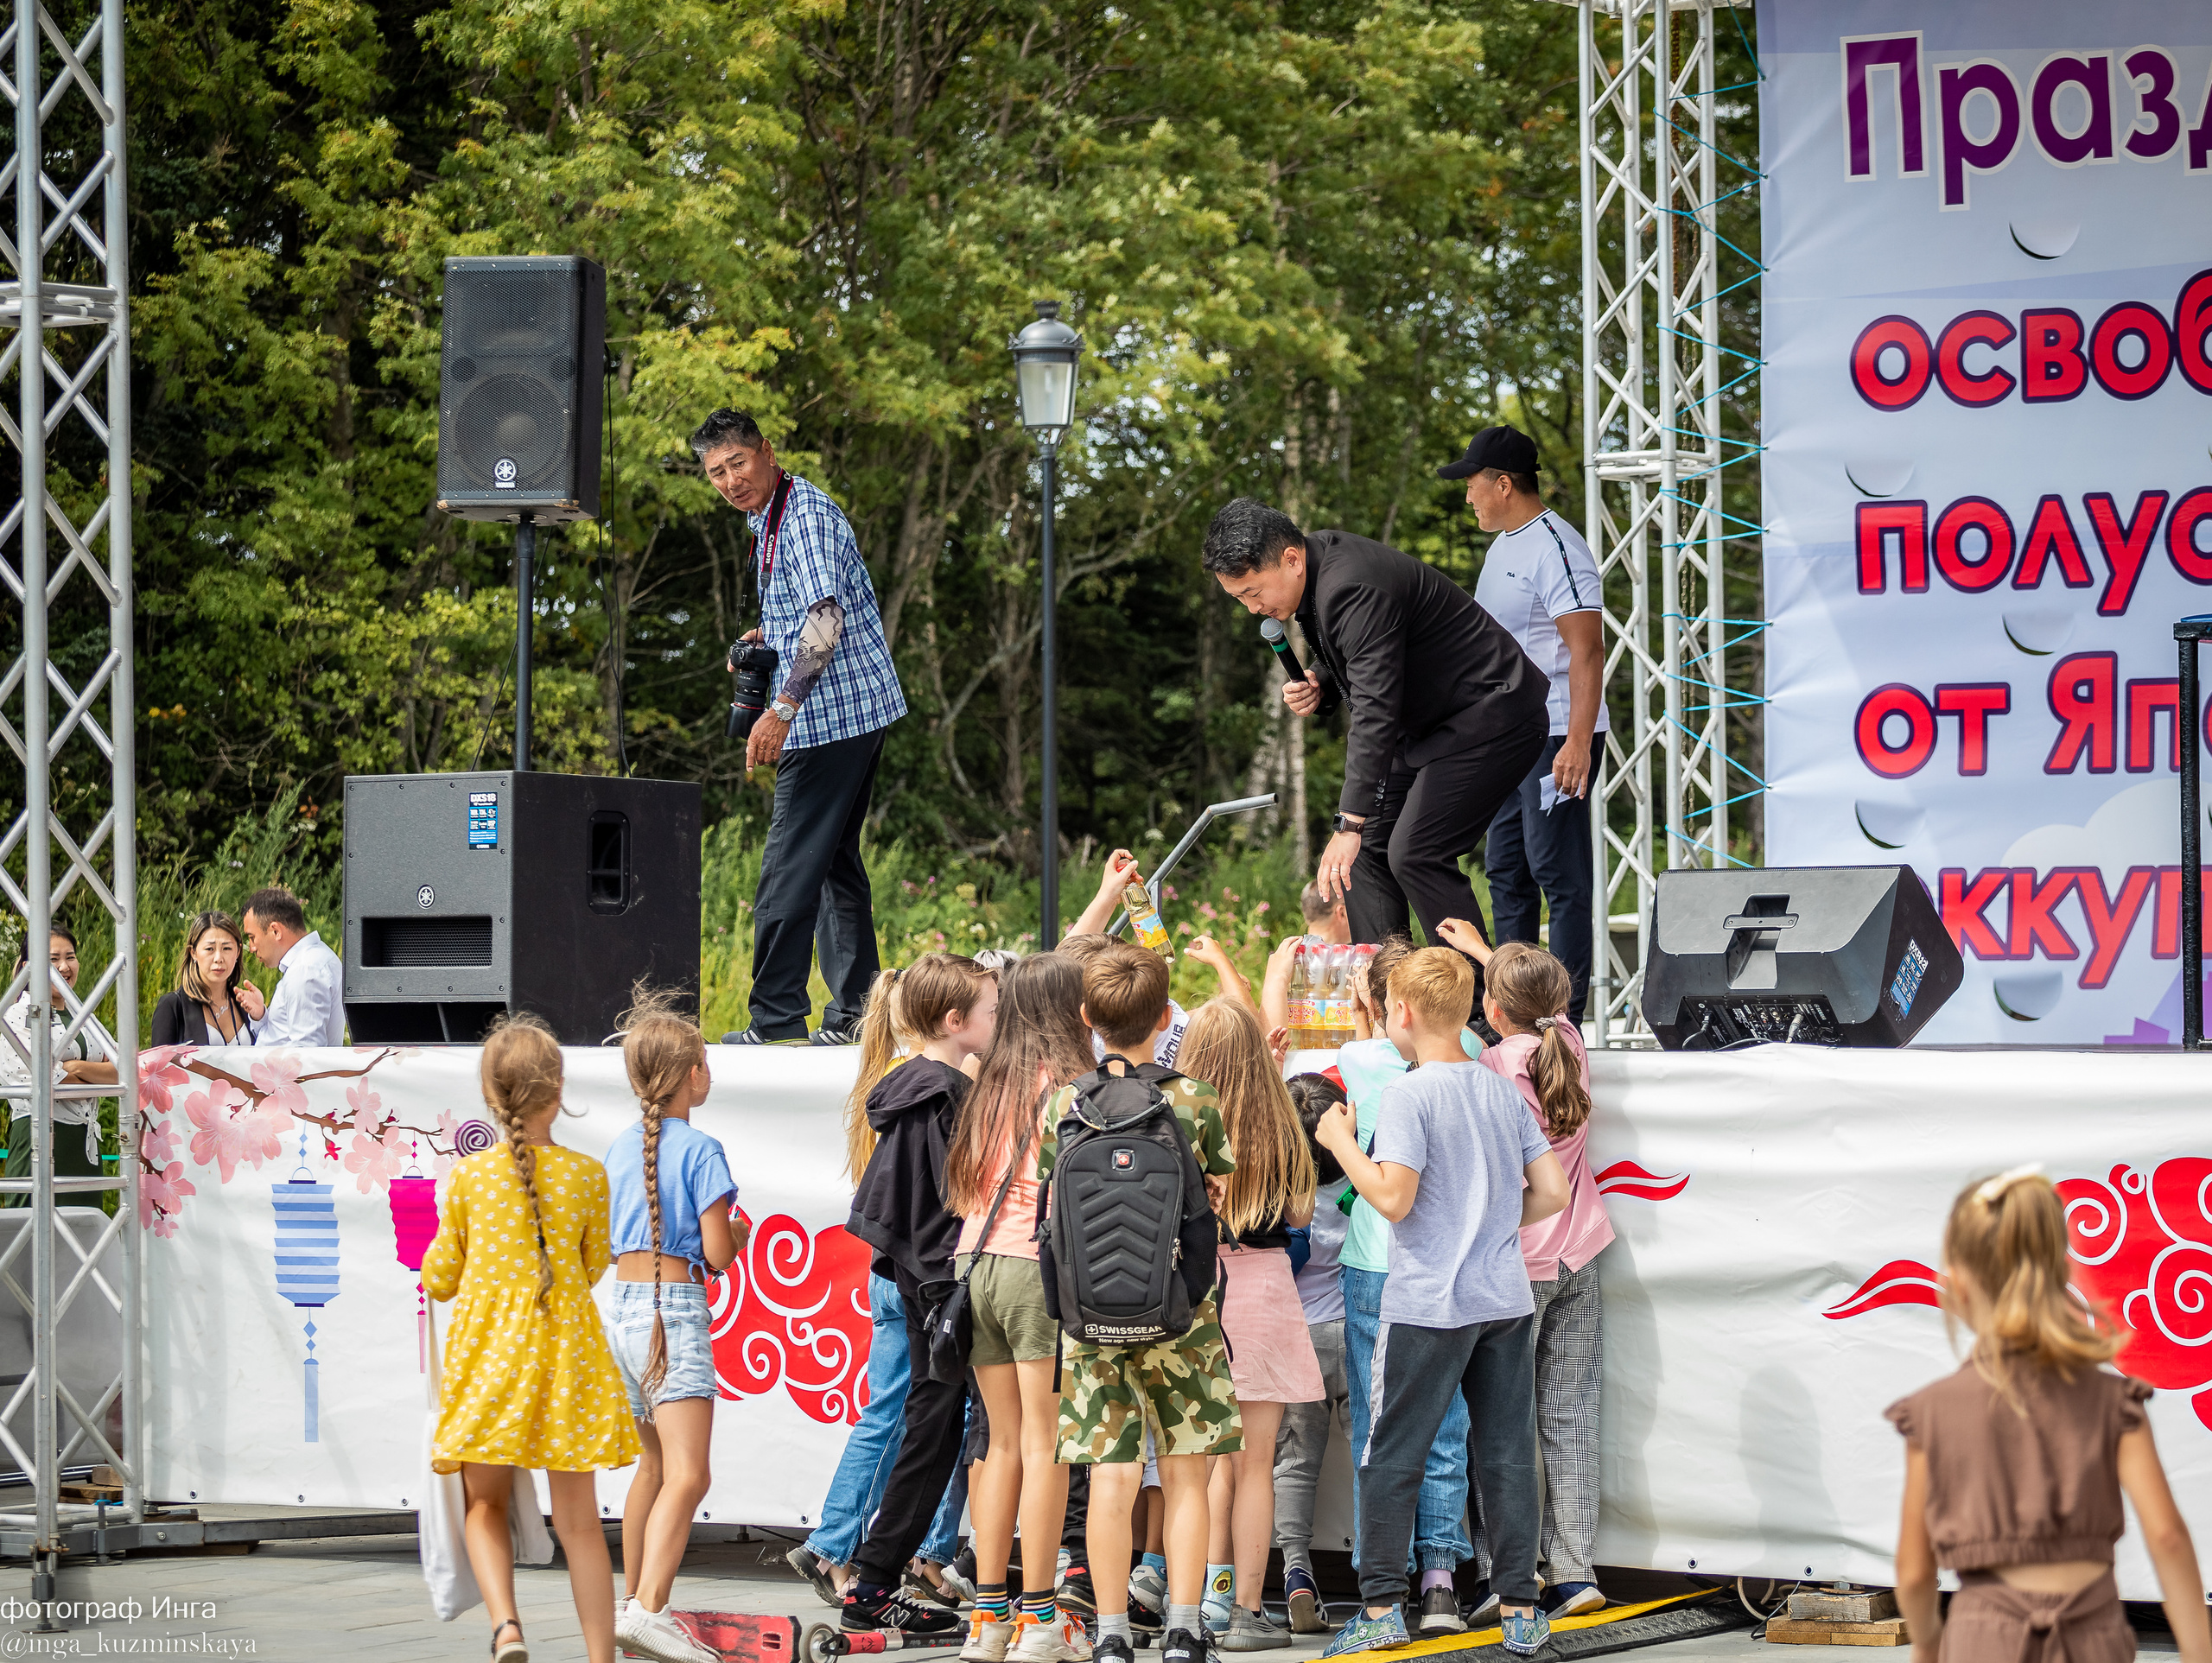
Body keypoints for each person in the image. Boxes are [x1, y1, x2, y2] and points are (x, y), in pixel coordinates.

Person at [1314, 948, 1569, 1660]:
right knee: (1507, 1450)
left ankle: (1380, 1607)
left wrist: (1337, 1138)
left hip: (1428, 1302)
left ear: (1401, 1011)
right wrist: (1483, 1224)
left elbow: (1393, 1198)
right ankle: (1520, 1605)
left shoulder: (1408, 1093)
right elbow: (1553, 1193)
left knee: (1392, 1450)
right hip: (1503, 1297)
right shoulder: (1496, 1089)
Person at [1203, 498, 1548, 978]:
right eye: (1239, 598)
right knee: (1361, 857)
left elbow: (1375, 708)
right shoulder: (1319, 570)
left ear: (1290, 559)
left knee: (1416, 851)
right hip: (1433, 728)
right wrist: (1321, 681)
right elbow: (1367, 656)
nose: (1252, 608)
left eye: (1252, 592)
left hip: (1494, 714)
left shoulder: (1351, 584)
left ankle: (1474, 1012)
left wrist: (1349, 822)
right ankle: (1389, 998)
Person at [1890, 1169, 2209, 1663]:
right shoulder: (2114, 1401)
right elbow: (2166, 1535)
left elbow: (1913, 1571)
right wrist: (2199, 1651)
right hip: (2093, 1637)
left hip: (1981, 1640)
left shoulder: (1929, 1413)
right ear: (2059, 1273)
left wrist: (1929, 1645)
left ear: (1960, 1287)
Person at [1046, 943, 1240, 1663]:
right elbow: (1216, 1187)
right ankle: (1185, 1630)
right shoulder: (1194, 1100)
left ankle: (1112, 1634)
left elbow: (1051, 1203)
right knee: (1187, 1473)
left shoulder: (1062, 1102)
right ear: (1166, 1017)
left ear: (1088, 1017)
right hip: (1182, 1312)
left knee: (1110, 1479)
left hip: (1090, 1318)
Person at [423, 1014, 637, 1663]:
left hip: (491, 1360)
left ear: (491, 1092)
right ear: (558, 1087)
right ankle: (602, 1656)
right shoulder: (586, 1175)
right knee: (579, 1523)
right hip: (567, 1360)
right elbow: (595, 1261)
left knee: (483, 1503)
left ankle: (507, 1626)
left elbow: (440, 1276)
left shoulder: (468, 1178)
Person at [694, 408, 908, 1048]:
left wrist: (781, 708)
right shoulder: (773, 516)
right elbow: (806, 611)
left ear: (766, 450)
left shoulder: (804, 517)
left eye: (738, 463)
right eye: (716, 473)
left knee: (789, 866)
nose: (730, 480)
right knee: (835, 863)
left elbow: (825, 615)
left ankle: (776, 1019)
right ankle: (856, 1019)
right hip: (854, 709)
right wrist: (767, 636)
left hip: (827, 716)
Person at [792, 957, 994, 1610]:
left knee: (926, 1427)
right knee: (929, 1429)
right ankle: (877, 1571)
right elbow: (949, 1199)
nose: (1000, 1022)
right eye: (992, 1012)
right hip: (942, 1283)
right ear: (955, 1021)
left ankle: (879, 1568)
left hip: (918, 1279)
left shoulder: (910, 1088)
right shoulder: (941, 1096)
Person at [941, 954, 1096, 1663]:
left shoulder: (985, 1083)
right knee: (1046, 1445)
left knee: (999, 1444)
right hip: (1036, 1269)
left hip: (974, 1267)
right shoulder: (1069, 1088)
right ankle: (1040, 1620)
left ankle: (986, 1617)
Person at [1461, 936, 1614, 1619]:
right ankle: (1576, 1570)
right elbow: (1541, 1005)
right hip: (1582, 1251)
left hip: (1515, 1265)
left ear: (1491, 1009)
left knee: (1502, 1424)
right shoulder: (1570, 1044)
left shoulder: (1489, 1067)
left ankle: (1506, 1572)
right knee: (1572, 1414)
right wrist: (1486, 950)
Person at [1331, 938, 1480, 1632]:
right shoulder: (1470, 1055)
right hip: (1447, 1263)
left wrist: (1366, 1009)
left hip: (1376, 1263)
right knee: (1447, 1420)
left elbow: (1368, 1050)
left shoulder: (1361, 1060)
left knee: (1379, 1427)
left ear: (1393, 1005)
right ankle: (1442, 1578)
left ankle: (1381, 1587)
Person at [1444, 426, 1606, 1023]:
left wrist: (1580, 743)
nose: (1468, 498)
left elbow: (1587, 648)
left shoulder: (1557, 544)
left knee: (1557, 874)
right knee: (1507, 871)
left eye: (1472, 485)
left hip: (1559, 734)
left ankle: (1562, 1018)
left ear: (1504, 484)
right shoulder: (1502, 546)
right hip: (1508, 739)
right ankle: (1511, 1007)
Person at [603, 992, 742, 1663]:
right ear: (688, 1072)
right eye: (705, 1061)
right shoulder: (702, 1149)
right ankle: (650, 1607)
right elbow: (717, 1251)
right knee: (690, 1474)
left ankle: (635, 1605)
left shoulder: (617, 1147)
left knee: (652, 1466)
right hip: (673, 1308)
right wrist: (739, 1230)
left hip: (622, 1307)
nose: (710, 1071)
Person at [1177, 1000, 1319, 1650]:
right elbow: (1302, 1211)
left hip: (1193, 1288)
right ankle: (1246, 1614)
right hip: (1262, 1284)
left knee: (1199, 1460)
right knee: (1257, 1460)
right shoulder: (1277, 1118)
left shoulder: (1175, 1112)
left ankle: (1200, 1600)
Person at [1273, 1073, 1354, 1636]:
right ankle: (1385, 1577)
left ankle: (1297, 1573)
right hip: (1352, 1333)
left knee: (1294, 1463)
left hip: (1294, 1337)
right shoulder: (1363, 1181)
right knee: (1374, 1455)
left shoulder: (1281, 1196)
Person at [2, 926, 119, 1203]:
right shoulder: (17, 1015)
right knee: (32, 1240)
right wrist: (95, 1078)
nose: (64, 967)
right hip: (39, 1145)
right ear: (30, 967)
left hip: (85, 1150)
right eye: (53, 959)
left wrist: (75, 1069)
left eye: (71, 957)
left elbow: (121, 1070)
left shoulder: (84, 1015)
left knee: (88, 1239)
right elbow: (48, 1082)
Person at [241, 887, 344, 1047]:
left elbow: (306, 1053)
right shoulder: (314, 959)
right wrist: (262, 1016)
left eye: (252, 937)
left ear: (276, 931)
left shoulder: (305, 970)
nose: (252, 947)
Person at [149, 911, 265, 1046]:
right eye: (210, 949)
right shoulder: (173, 1006)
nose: (218, 958)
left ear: (238, 952)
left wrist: (260, 1017)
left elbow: (271, 1055)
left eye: (227, 948)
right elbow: (158, 1065)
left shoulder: (245, 1004)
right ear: (193, 953)